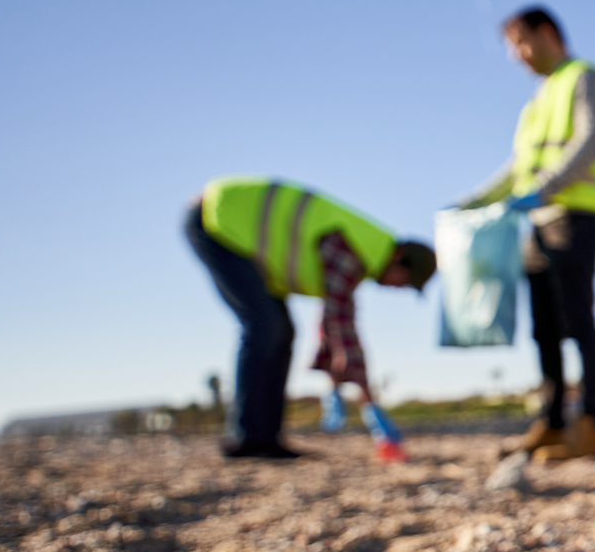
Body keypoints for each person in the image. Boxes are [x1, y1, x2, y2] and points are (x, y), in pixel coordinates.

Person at [185, 176, 435, 459]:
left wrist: (339, 372)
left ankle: (265, 437)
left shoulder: (363, 253)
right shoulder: (354, 251)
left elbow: (333, 321)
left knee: (280, 330)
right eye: (404, 281)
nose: (399, 289)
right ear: (399, 258)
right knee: (265, 326)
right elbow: (340, 322)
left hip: (235, 228)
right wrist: (367, 399)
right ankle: (250, 437)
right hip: (220, 221)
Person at [460, 6, 595, 462]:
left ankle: (590, 424)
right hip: (539, 222)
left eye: (519, 44)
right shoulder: (535, 103)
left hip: (577, 213)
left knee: (579, 319)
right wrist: (475, 201)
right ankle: (551, 422)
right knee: (544, 327)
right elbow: (517, 169)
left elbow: (590, 142)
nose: (516, 56)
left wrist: (542, 190)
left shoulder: (586, 78)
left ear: (546, 34)